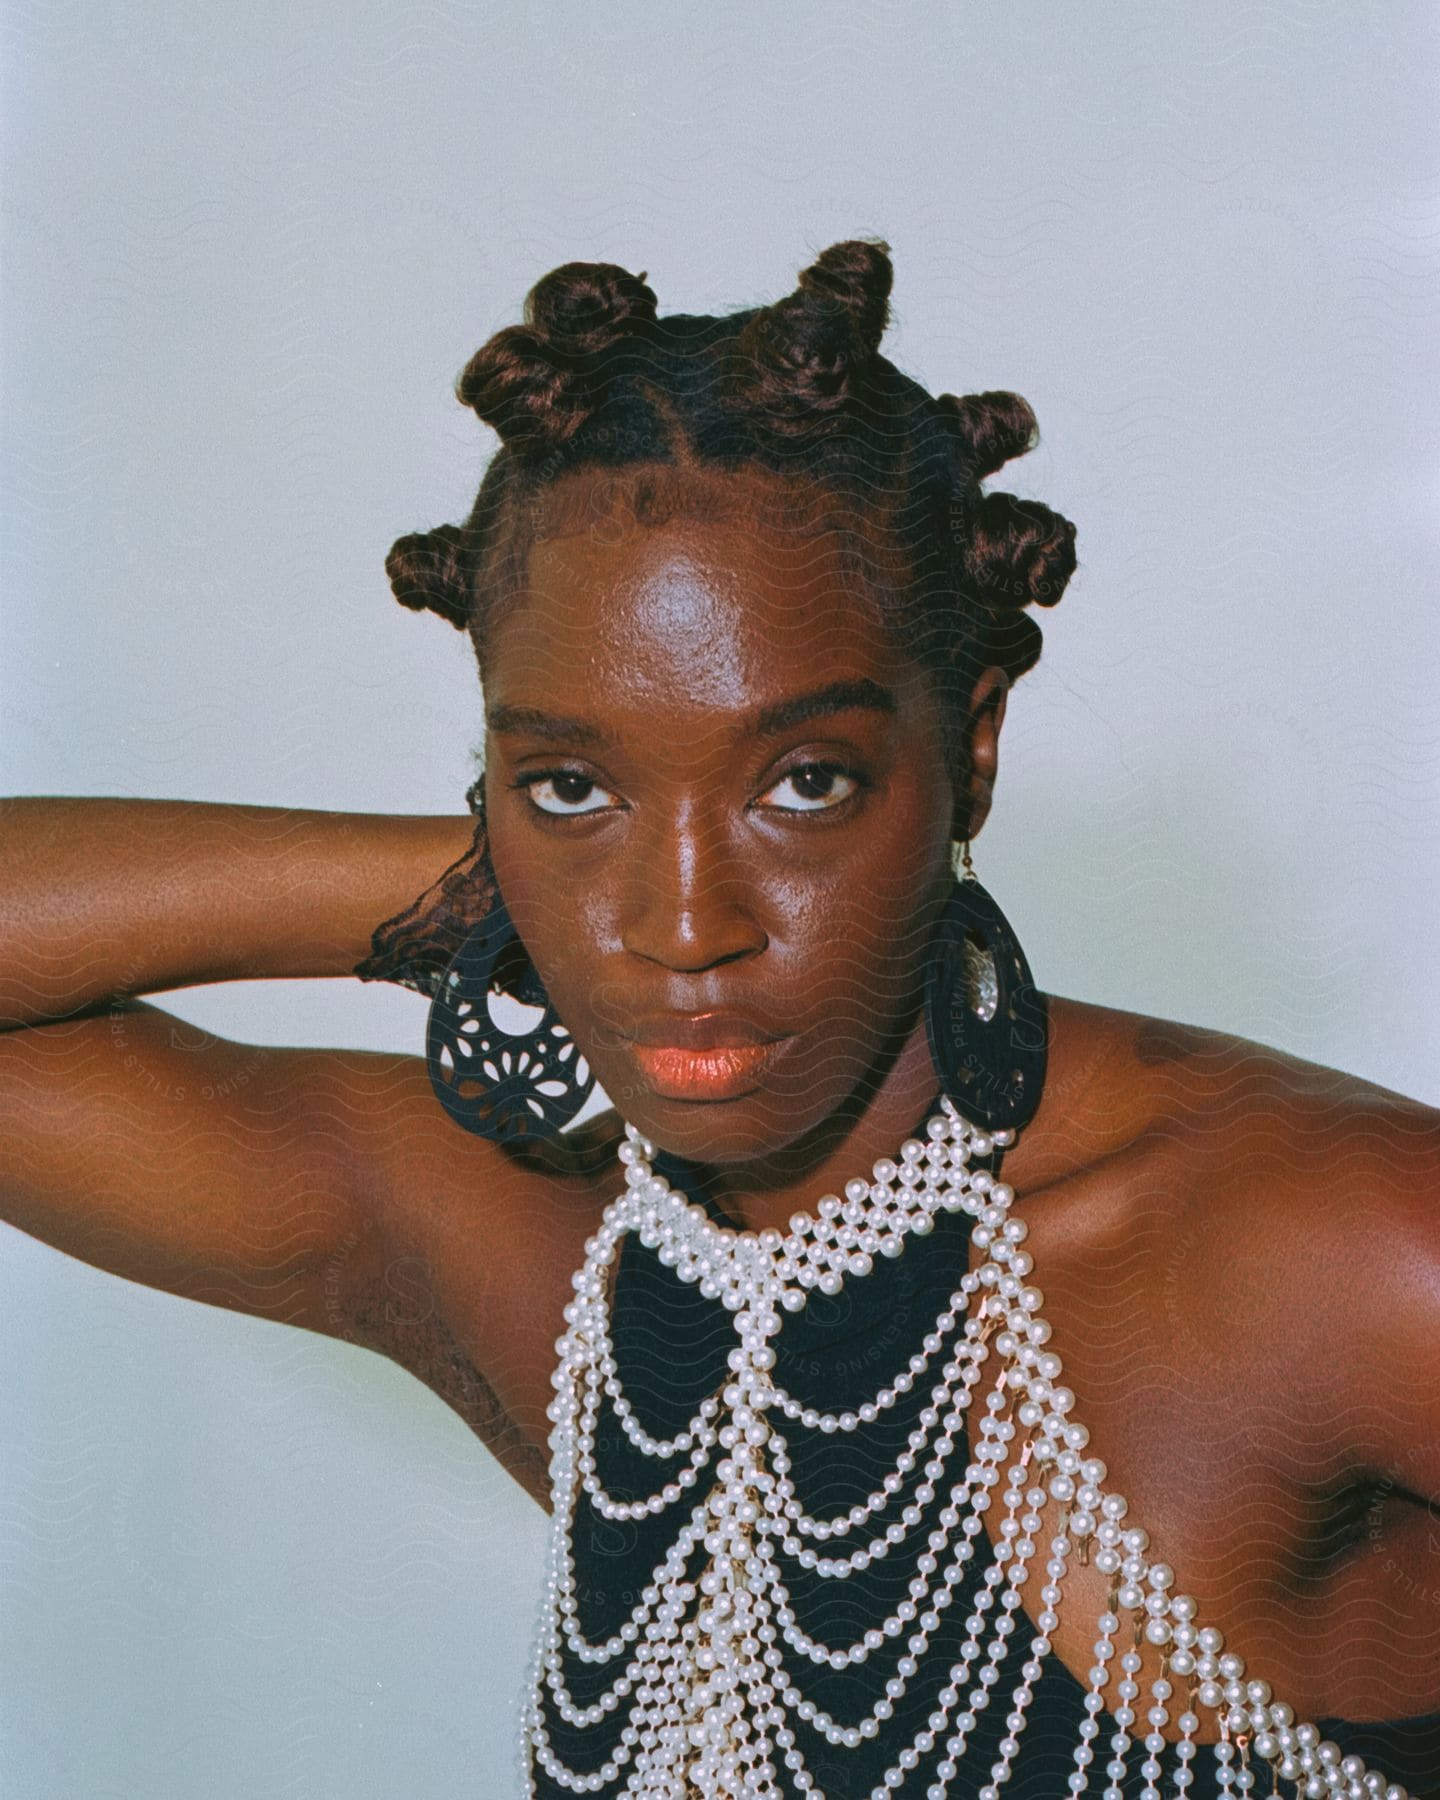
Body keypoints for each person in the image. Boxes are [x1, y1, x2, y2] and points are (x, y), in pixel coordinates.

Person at [2, 239, 1436, 1799]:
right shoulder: (555, 1261)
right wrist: (493, 892)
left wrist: (575, 838)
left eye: (801, 782)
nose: (684, 927)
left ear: (968, 748)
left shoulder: (1332, 1251)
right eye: (568, 780)